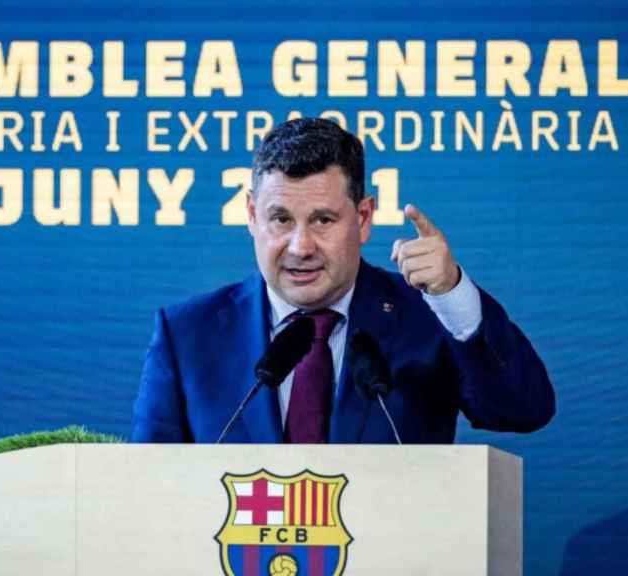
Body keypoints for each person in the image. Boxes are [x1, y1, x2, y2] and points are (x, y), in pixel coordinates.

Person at [131, 117, 554, 443]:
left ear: (364, 218)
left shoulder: (425, 317)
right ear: (251, 216)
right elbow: (147, 488)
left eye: (323, 220)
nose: (301, 246)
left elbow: (523, 409)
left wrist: (453, 294)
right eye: (281, 219)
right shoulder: (187, 333)